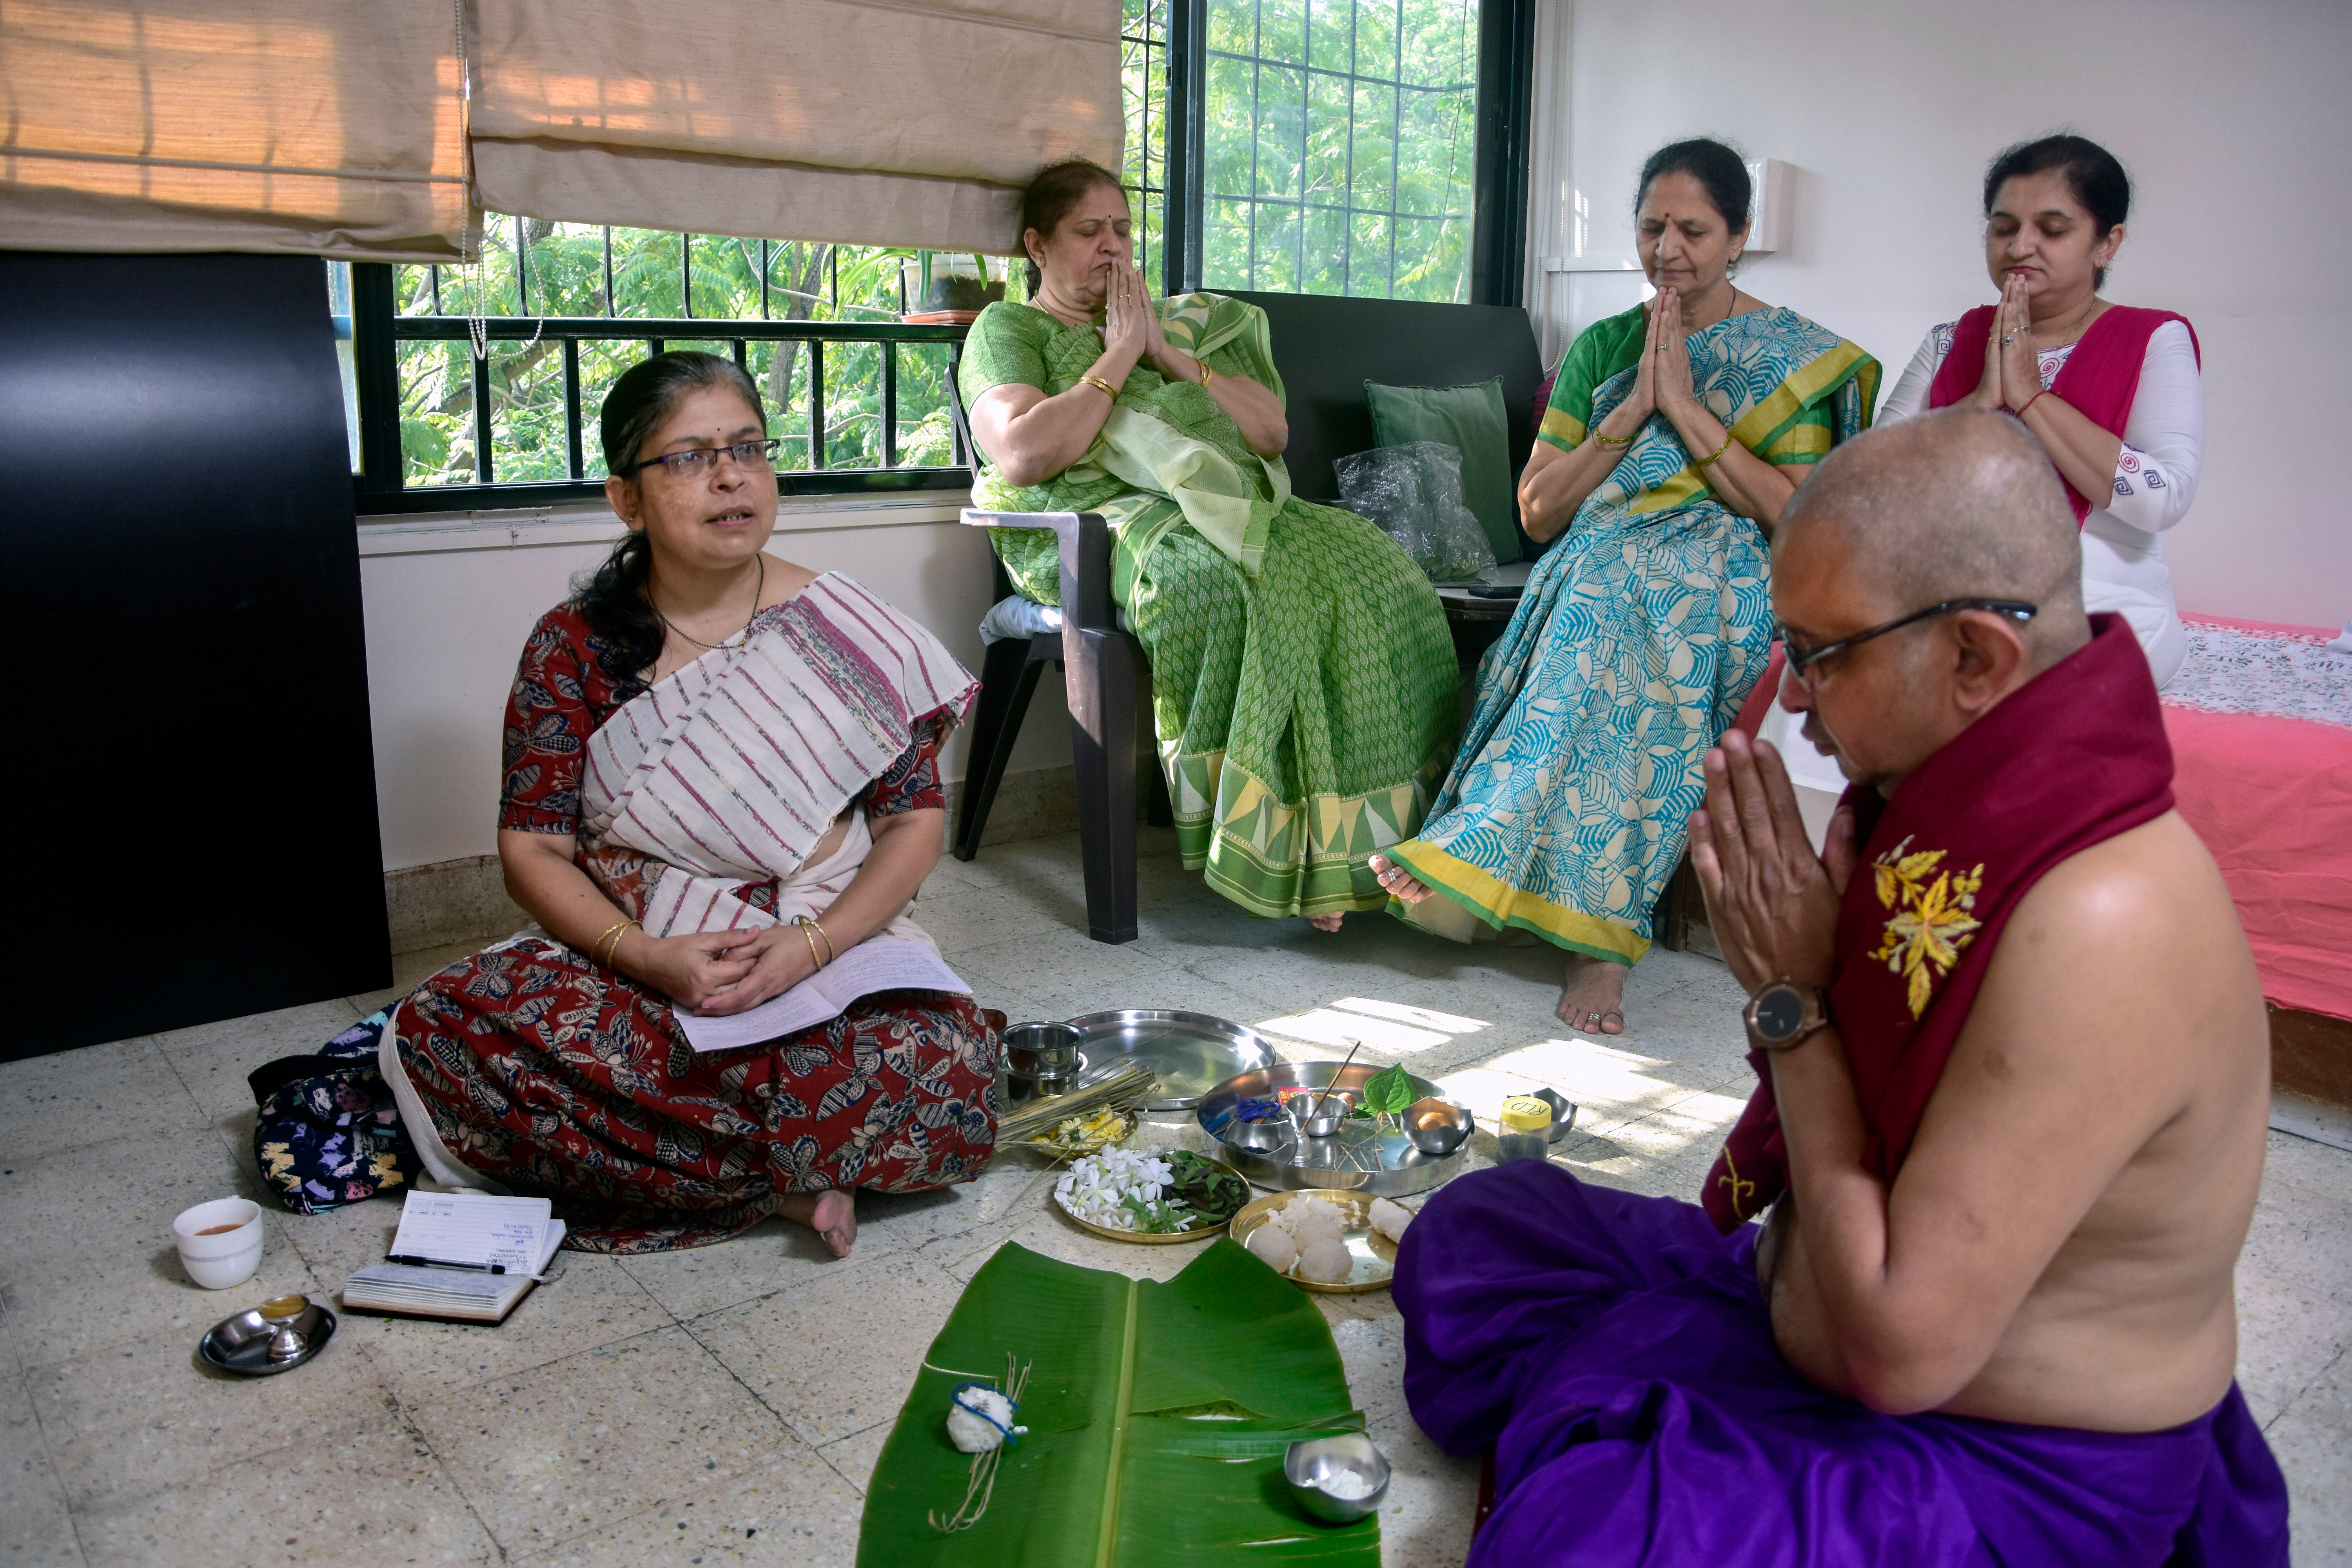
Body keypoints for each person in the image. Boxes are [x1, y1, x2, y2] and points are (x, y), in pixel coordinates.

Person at [1392, 409, 2288, 1566]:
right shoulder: (1959, 795)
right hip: (1797, 1298)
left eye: (1819, 653)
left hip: (1995, 1450)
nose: (1795, 697)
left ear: (1976, 657)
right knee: (1481, 1231)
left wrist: (1792, 1005)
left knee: (1591, 1536)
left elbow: (1904, 1356)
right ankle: (1662, 1423)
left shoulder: (2103, 918)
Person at [383, 352, 1000, 1258]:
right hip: (649, 945)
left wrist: (812, 944)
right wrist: (652, 957)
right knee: (446, 1032)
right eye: (688, 456)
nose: (729, 475)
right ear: (625, 498)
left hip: (821, 931)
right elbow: (534, 851)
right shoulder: (573, 647)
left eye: (748, 447)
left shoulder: (845, 628)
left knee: (944, 1066)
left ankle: (723, 1166)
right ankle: (800, 1177)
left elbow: (913, 822)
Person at [1373, 139, 1878, 1032]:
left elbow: (1801, 520)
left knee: (1631, 604)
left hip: (1732, 565)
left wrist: (1686, 407)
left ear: (1740, 236)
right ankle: (1542, 893)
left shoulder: (1799, 360)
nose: (1669, 248)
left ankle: (1561, 914)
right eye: (1652, 227)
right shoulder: (1607, 345)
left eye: (1694, 229)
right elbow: (1536, 512)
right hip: (1607, 555)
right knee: (1606, 594)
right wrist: (1630, 412)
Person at [962, 160, 1457, 927]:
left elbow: (1269, 430)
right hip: (1093, 526)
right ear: (1038, 243)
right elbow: (1025, 453)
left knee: (1378, 566)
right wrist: (1119, 354)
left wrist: (1164, 351)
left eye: (1122, 231)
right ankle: (1276, 845)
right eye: (1089, 232)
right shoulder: (1010, 330)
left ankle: (1365, 848)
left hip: (1214, 502)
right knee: (1217, 585)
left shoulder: (1168, 326)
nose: (1112, 248)